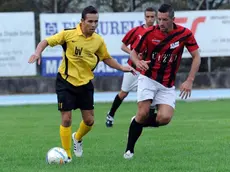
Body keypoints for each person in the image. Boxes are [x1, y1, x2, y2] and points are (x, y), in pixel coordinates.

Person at [28, 6, 134, 163]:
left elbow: (106, 57)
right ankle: (67, 155)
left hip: (85, 83)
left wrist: (121, 67)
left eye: (96, 21)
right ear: (82, 21)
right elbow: (46, 41)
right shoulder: (68, 34)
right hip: (66, 80)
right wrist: (37, 52)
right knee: (66, 119)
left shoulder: (98, 40)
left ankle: (77, 137)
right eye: (90, 21)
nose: (93, 24)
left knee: (90, 121)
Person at [123, 3, 201, 159]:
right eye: (159, 19)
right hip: (148, 77)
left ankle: (137, 122)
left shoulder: (184, 34)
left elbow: (196, 56)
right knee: (143, 111)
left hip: (167, 83)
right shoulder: (149, 33)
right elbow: (133, 52)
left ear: (173, 19)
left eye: (165, 20)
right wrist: (138, 62)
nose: (161, 23)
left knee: (164, 118)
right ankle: (129, 150)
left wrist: (189, 80)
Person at [105, 7, 156, 127]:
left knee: (152, 94)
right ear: (144, 17)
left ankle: (149, 120)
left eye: (152, 17)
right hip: (133, 68)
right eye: (147, 16)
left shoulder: (158, 32)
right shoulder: (136, 31)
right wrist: (134, 54)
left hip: (148, 71)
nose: (150, 19)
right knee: (123, 93)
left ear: (155, 18)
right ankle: (111, 114)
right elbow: (123, 46)